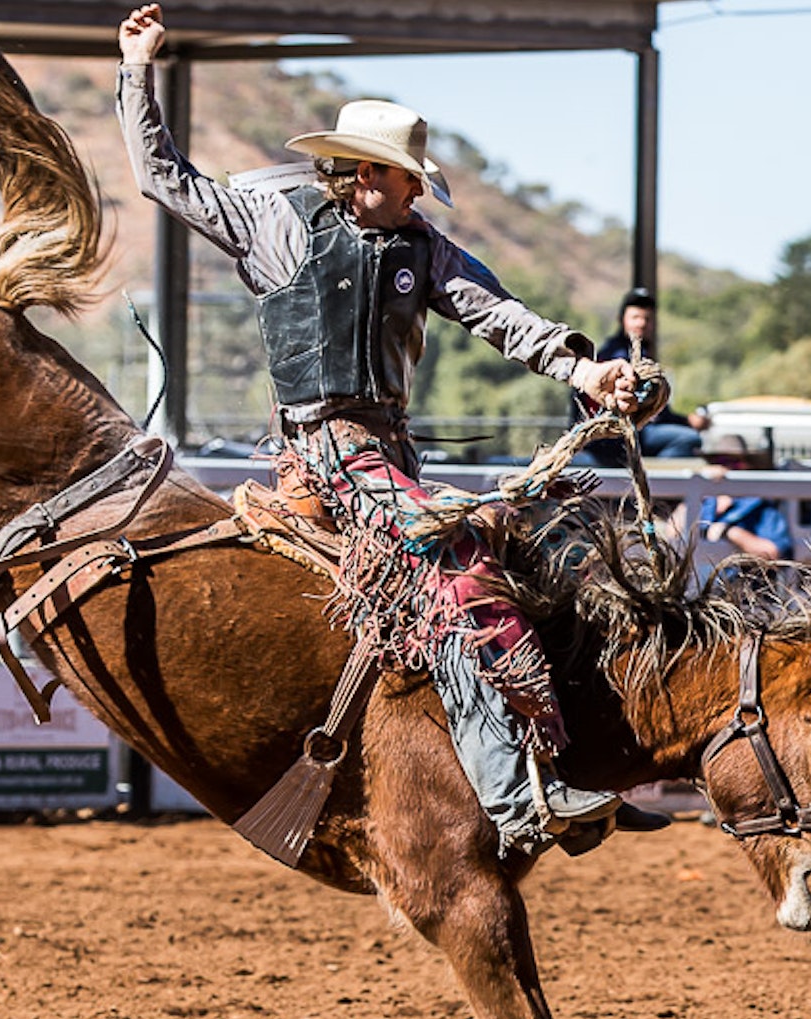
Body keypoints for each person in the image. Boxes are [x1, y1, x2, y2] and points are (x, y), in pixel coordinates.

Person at [117, 3, 669, 854]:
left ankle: (574, 757)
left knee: (540, 557)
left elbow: (501, 316)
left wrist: (587, 372)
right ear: (361, 173)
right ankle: (515, 794)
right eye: (397, 175)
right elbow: (166, 177)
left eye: (408, 179)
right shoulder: (277, 225)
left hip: (389, 455)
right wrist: (137, 70)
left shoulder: (424, 248)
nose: (406, 189)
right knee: (453, 564)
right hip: (327, 452)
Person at [576, 287, 706, 467]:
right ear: (622, 320)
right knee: (688, 439)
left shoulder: (640, 353)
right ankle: (655, 476)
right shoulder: (616, 356)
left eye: (647, 319)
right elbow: (647, 407)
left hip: (631, 430)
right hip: (615, 433)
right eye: (635, 317)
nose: (642, 323)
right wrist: (686, 421)